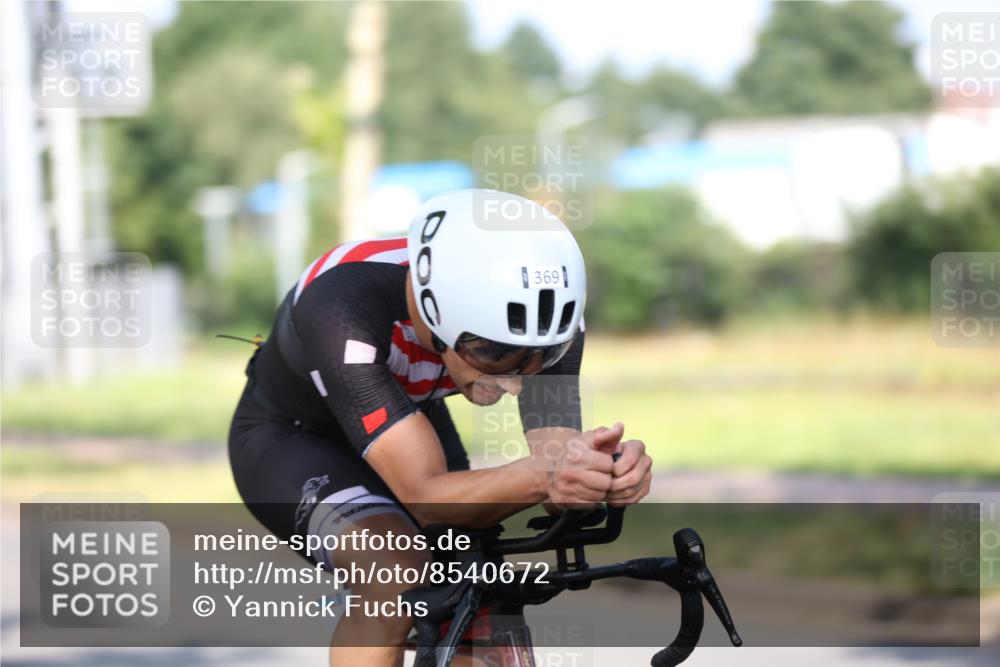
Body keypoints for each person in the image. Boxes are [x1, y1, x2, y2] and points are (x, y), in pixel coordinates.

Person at [228, 189, 652, 666]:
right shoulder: (342, 304)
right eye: (494, 353)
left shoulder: (544, 319)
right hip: (293, 437)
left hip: (406, 419)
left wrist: (597, 474)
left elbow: (554, 471)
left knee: (478, 587)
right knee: (394, 574)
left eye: (541, 358)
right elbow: (426, 496)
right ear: (432, 308)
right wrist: (549, 473)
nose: (515, 382)